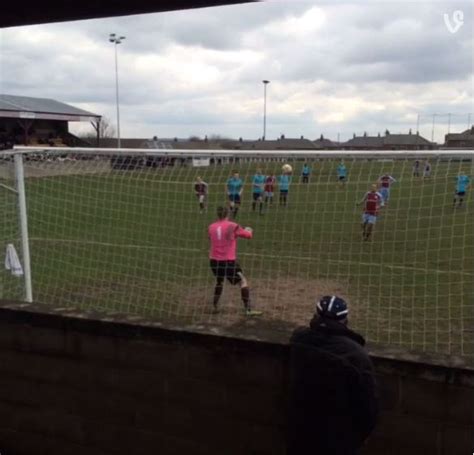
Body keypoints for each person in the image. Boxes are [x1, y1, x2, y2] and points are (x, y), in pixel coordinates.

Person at [288, 296, 378, 455]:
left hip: (301, 430)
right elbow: (369, 404)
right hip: (339, 439)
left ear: (316, 316)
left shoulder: (299, 340)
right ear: (345, 321)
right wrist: (362, 435)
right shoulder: (357, 356)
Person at [207, 206, 262, 316]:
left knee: (219, 281)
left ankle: (215, 306)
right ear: (228, 214)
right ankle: (248, 310)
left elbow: (211, 238)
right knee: (242, 281)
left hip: (214, 261)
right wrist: (249, 230)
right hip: (228, 261)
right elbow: (248, 236)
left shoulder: (211, 227)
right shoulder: (233, 226)